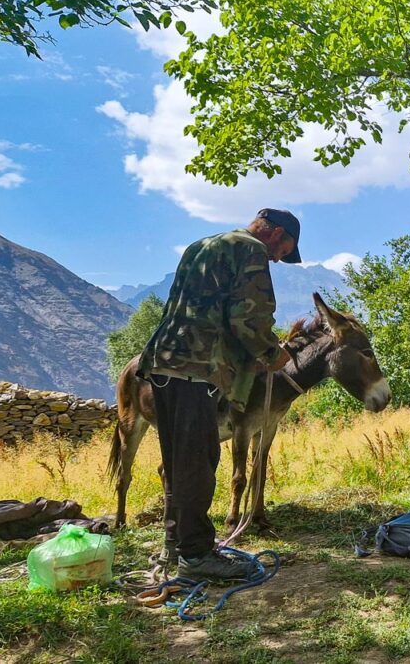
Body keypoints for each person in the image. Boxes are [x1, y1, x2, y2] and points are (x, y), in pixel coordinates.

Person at [136, 208, 300, 581]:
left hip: (163, 362)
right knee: (198, 463)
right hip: (199, 367)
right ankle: (196, 558)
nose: (278, 259)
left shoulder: (199, 247)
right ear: (275, 234)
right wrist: (273, 355)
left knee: (179, 463)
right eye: (283, 251)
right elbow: (247, 317)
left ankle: (175, 546)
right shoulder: (252, 251)